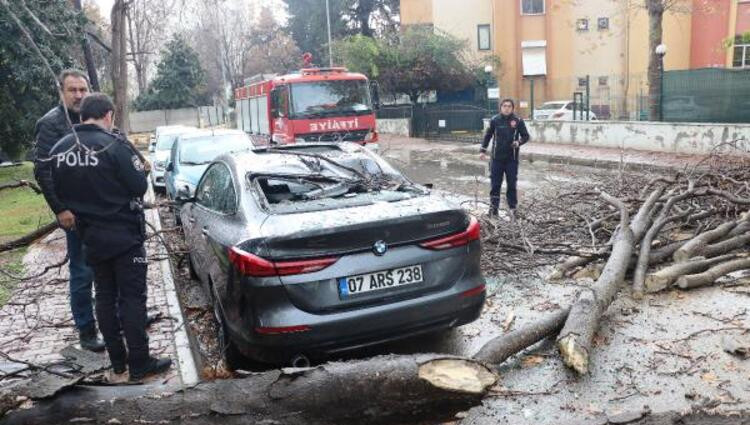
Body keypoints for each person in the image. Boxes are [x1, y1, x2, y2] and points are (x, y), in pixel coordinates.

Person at [50, 93, 171, 382]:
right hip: (125, 236)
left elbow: (59, 189)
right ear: (108, 115)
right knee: (132, 299)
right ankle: (140, 362)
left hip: (90, 236)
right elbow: (138, 186)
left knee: (103, 296)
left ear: (82, 117)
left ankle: (118, 362)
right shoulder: (113, 145)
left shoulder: (60, 149)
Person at [33, 69, 104, 352]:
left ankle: (117, 318)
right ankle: (86, 330)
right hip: (75, 214)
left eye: (82, 90)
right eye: (72, 90)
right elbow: (43, 169)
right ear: (61, 92)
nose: (78, 95)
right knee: (82, 271)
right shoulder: (50, 123)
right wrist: (60, 209)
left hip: (102, 210)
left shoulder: (93, 119)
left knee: (108, 268)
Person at [479, 98, 530, 218]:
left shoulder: (518, 121)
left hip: (511, 159)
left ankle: (512, 209)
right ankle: (493, 210)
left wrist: (519, 142)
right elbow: (488, 135)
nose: (506, 108)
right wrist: (482, 150)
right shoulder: (494, 120)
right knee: (495, 185)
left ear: (512, 108)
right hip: (496, 159)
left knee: (511, 184)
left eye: (509, 106)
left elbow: (526, 136)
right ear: (500, 107)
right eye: (504, 106)